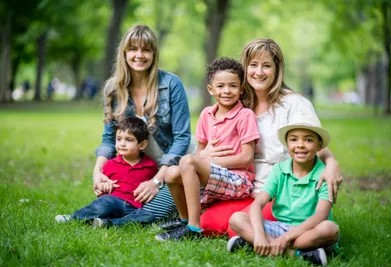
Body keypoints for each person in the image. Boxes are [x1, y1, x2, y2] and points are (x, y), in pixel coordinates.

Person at [199, 38, 343, 237]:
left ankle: (286, 240)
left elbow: (315, 144)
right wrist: (205, 154)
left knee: (236, 228)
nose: (259, 72)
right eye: (253, 65)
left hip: (279, 192)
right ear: (245, 68)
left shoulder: (294, 104)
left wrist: (332, 163)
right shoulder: (239, 104)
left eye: (266, 66)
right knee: (207, 222)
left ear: (277, 69)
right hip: (246, 189)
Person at [93, 25, 192, 222]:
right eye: (133, 49)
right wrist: (97, 173)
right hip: (139, 169)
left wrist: (156, 181)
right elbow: (108, 139)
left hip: (174, 167)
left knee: (153, 211)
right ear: (124, 52)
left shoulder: (172, 84)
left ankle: (110, 225)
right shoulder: (113, 88)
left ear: (154, 54)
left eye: (146, 49)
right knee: (112, 203)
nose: (140, 55)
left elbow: (182, 138)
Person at [155, 57, 260, 241]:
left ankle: (194, 230)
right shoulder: (206, 114)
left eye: (233, 86)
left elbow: (246, 158)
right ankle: (184, 220)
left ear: (241, 88)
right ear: (211, 89)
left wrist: (208, 161)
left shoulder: (245, 115)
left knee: (186, 161)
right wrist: (202, 159)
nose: (226, 91)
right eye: (220, 86)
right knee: (171, 173)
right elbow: (198, 155)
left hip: (238, 180)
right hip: (213, 175)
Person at [227, 114, 339, 266]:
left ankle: (259, 246)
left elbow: (320, 216)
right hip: (280, 227)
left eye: (308, 139)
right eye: (294, 139)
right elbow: (257, 204)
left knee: (330, 229)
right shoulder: (279, 169)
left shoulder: (324, 174)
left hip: (309, 230)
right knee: (237, 218)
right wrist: (260, 234)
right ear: (287, 144)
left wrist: (285, 239)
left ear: (319, 145)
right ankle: (296, 252)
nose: (300, 145)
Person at [55, 117, 158, 227]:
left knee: (148, 217)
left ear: (142, 145)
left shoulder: (150, 166)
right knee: (102, 206)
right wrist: (103, 186)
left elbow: (152, 187)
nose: (122, 144)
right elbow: (102, 185)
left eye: (128, 140)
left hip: (134, 207)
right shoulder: (110, 164)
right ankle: (73, 218)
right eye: (119, 139)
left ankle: (107, 223)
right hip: (112, 201)